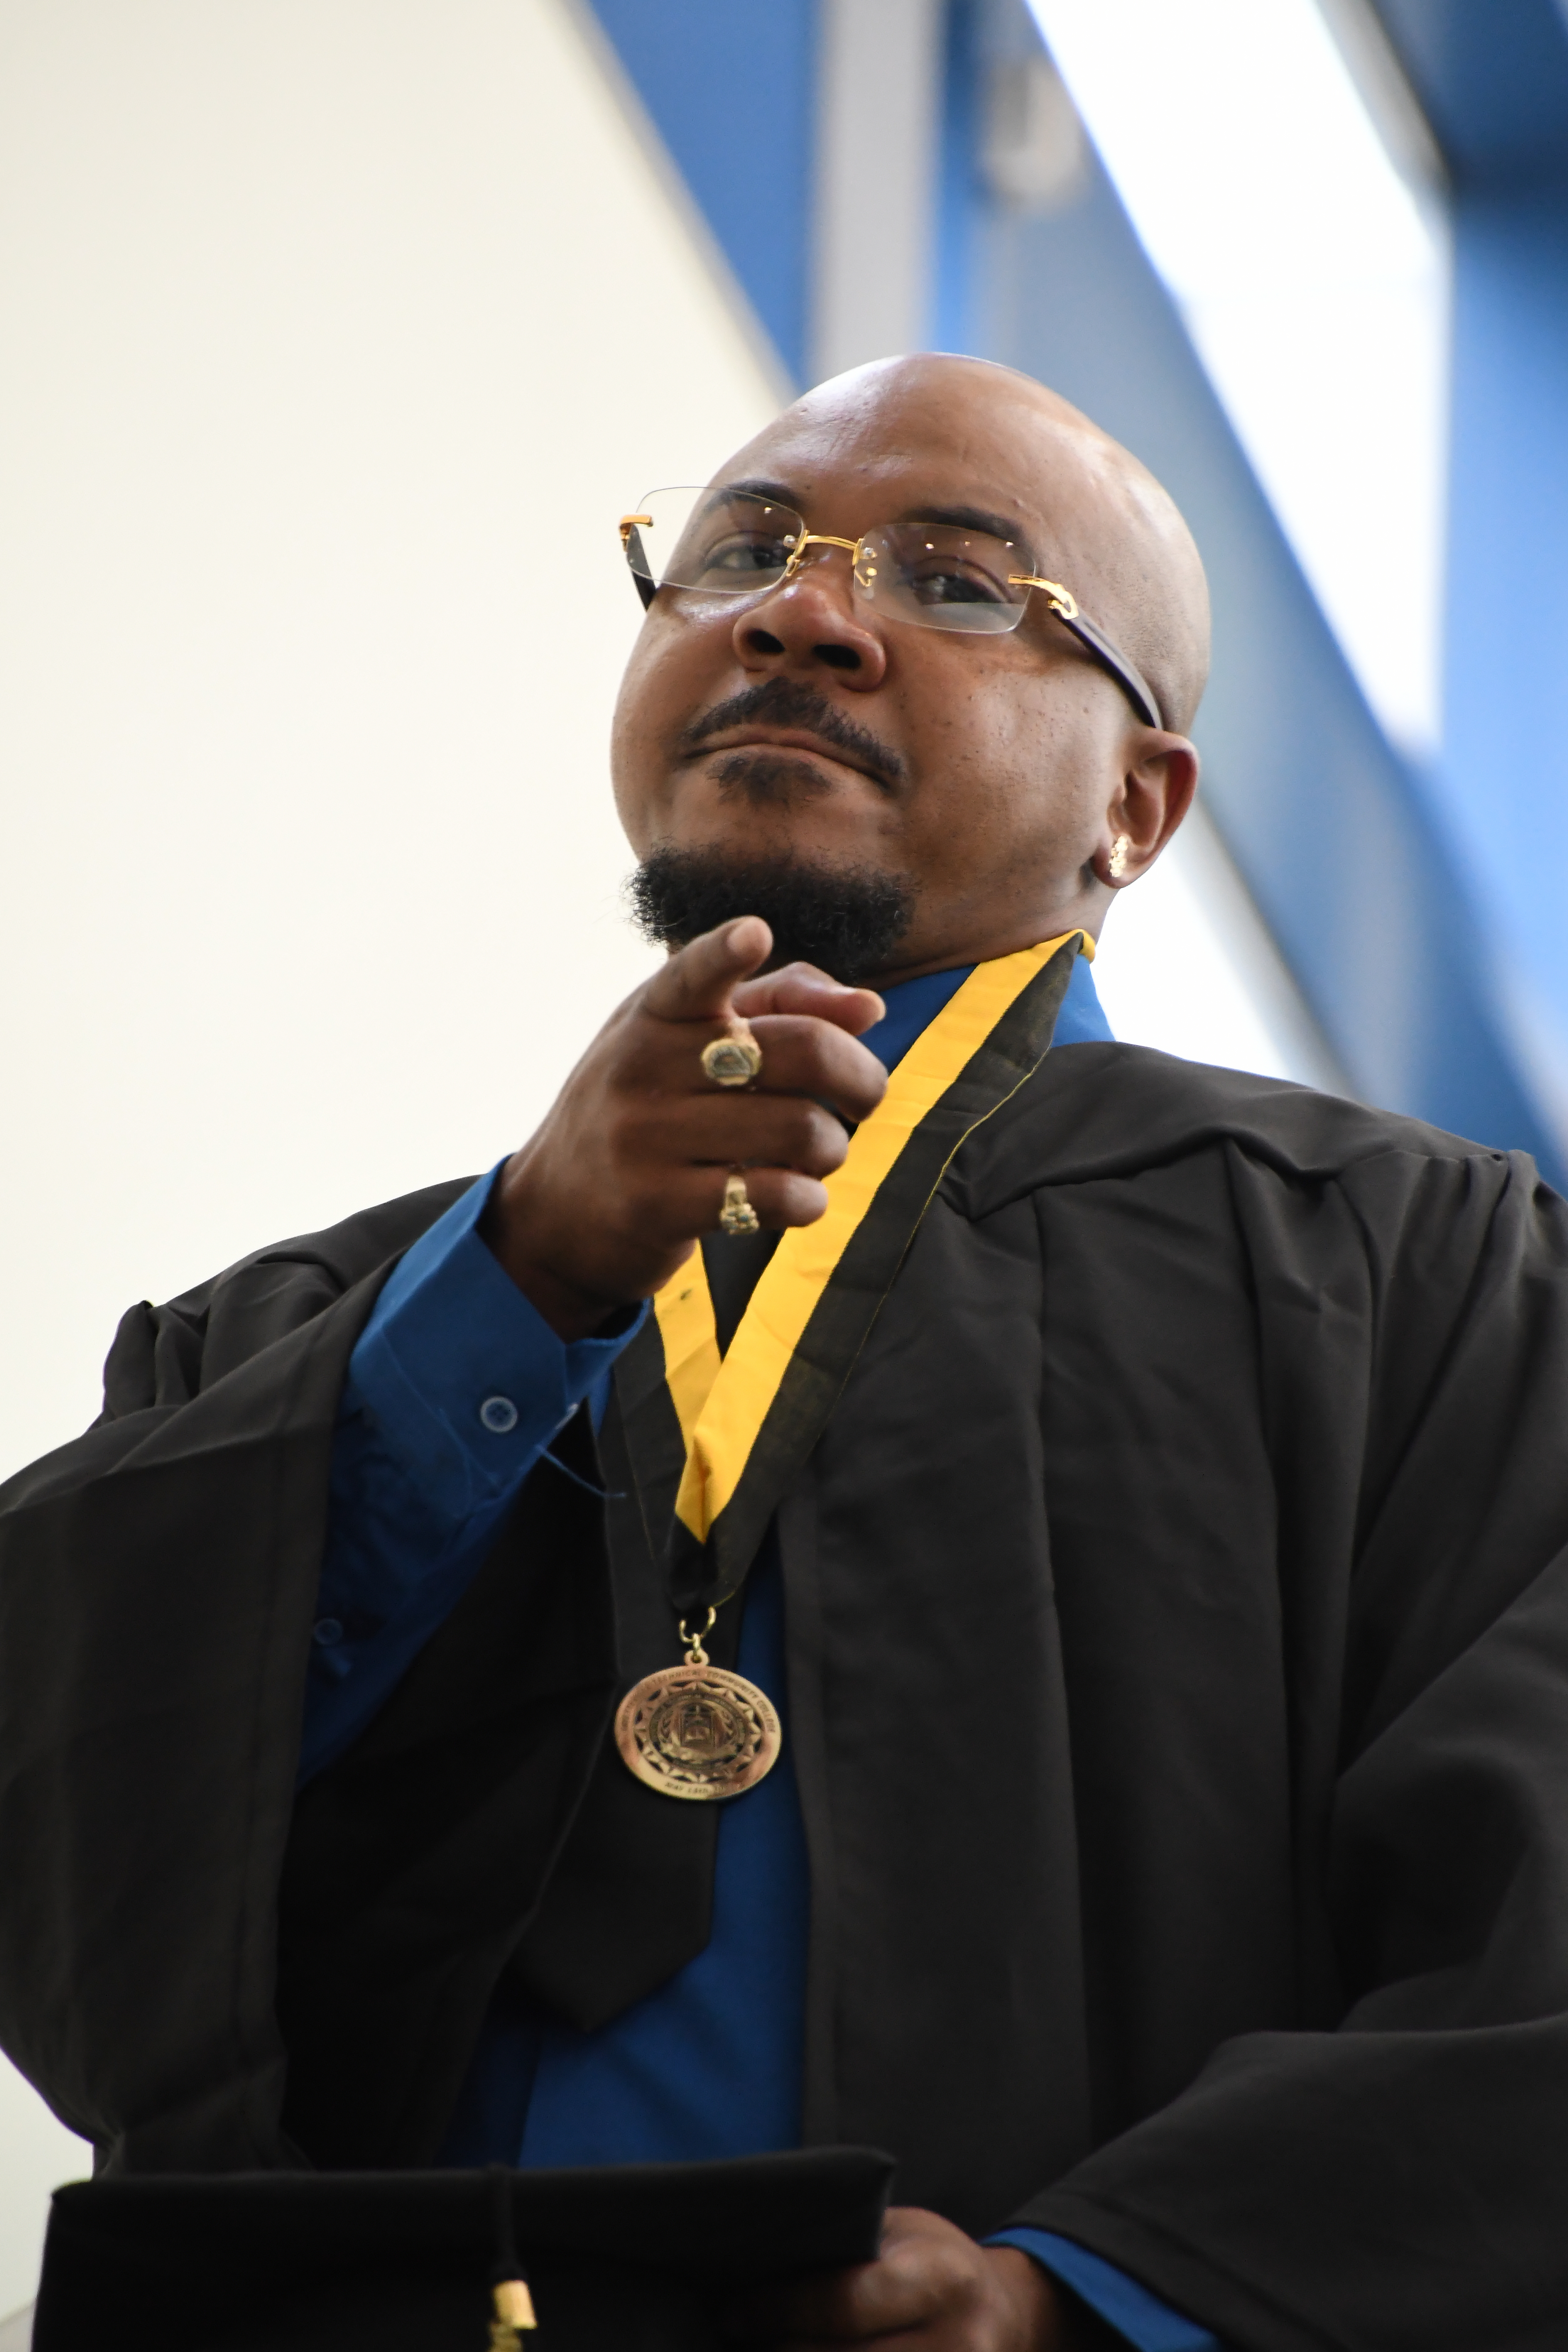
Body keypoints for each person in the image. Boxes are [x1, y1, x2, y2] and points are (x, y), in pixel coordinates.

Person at [3, 352, 1567, 2352]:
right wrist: (514, 1289)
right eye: (739, 550)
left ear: (1137, 807)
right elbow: (71, 1838)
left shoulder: (1414, 1282)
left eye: (962, 581)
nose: (801, 612)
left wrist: (1089, 2296)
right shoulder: (317, 1332)